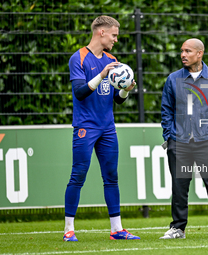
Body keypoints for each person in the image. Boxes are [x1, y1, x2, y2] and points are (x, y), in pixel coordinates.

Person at [63, 15, 140, 241]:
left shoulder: (112, 59)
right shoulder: (78, 57)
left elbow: (118, 99)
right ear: (101, 32)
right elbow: (79, 92)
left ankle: (117, 230)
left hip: (107, 128)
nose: (116, 39)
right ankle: (69, 230)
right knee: (78, 175)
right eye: (114, 35)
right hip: (85, 126)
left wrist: (127, 89)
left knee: (111, 177)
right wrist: (102, 74)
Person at [160, 38, 208, 239]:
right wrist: (169, 136)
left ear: (199, 54)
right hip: (179, 142)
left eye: (188, 51)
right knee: (179, 186)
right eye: (182, 51)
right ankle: (178, 228)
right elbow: (166, 110)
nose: (183, 55)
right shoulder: (172, 79)